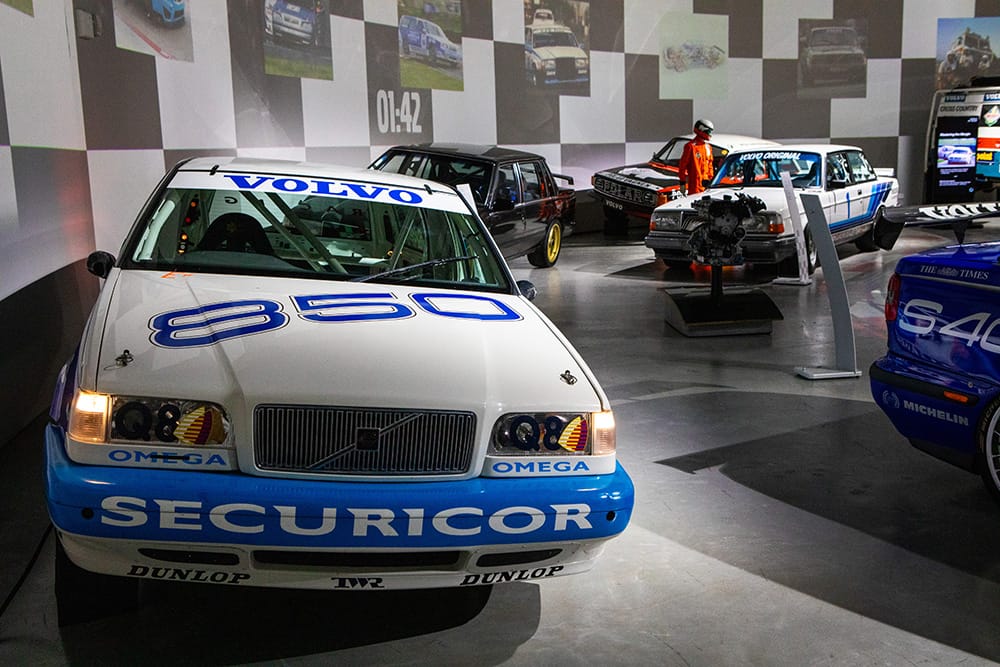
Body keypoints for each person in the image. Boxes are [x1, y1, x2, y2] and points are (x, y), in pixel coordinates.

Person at [678, 118, 715, 196]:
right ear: (701, 130)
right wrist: (682, 183)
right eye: (708, 132)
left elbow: (710, 166)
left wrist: (711, 181)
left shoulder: (708, 147)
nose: (710, 134)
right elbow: (682, 166)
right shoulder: (690, 146)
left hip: (707, 186)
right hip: (695, 186)